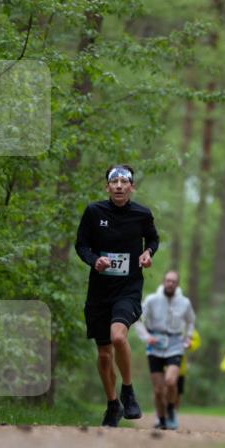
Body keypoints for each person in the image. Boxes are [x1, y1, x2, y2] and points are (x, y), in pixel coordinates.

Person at [75, 164, 159, 427]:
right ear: (107, 187)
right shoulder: (93, 211)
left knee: (118, 336)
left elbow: (153, 240)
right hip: (100, 291)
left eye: (125, 182)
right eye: (115, 182)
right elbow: (81, 244)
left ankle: (128, 390)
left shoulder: (142, 214)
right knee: (103, 354)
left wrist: (148, 254)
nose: (120, 186)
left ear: (132, 187)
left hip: (128, 288)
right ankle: (113, 404)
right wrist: (94, 260)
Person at [135, 270, 195, 431]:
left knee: (170, 381)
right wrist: (146, 337)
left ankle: (171, 411)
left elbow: (191, 321)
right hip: (155, 343)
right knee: (158, 389)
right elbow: (139, 319)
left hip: (175, 343)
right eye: (168, 280)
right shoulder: (152, 300)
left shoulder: (185, 302)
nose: (170, 283)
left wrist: (187, 337)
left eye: (173, 281)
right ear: (163, 281)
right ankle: (161, 420)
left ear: (177, 284)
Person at [176, 326, 201, 408]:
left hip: (180, 367)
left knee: (178, 392)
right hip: (164, 365)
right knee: (164, 388)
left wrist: (190, 344)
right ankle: (163, 411)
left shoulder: (187, 327)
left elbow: (196, 342)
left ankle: (174, 413)